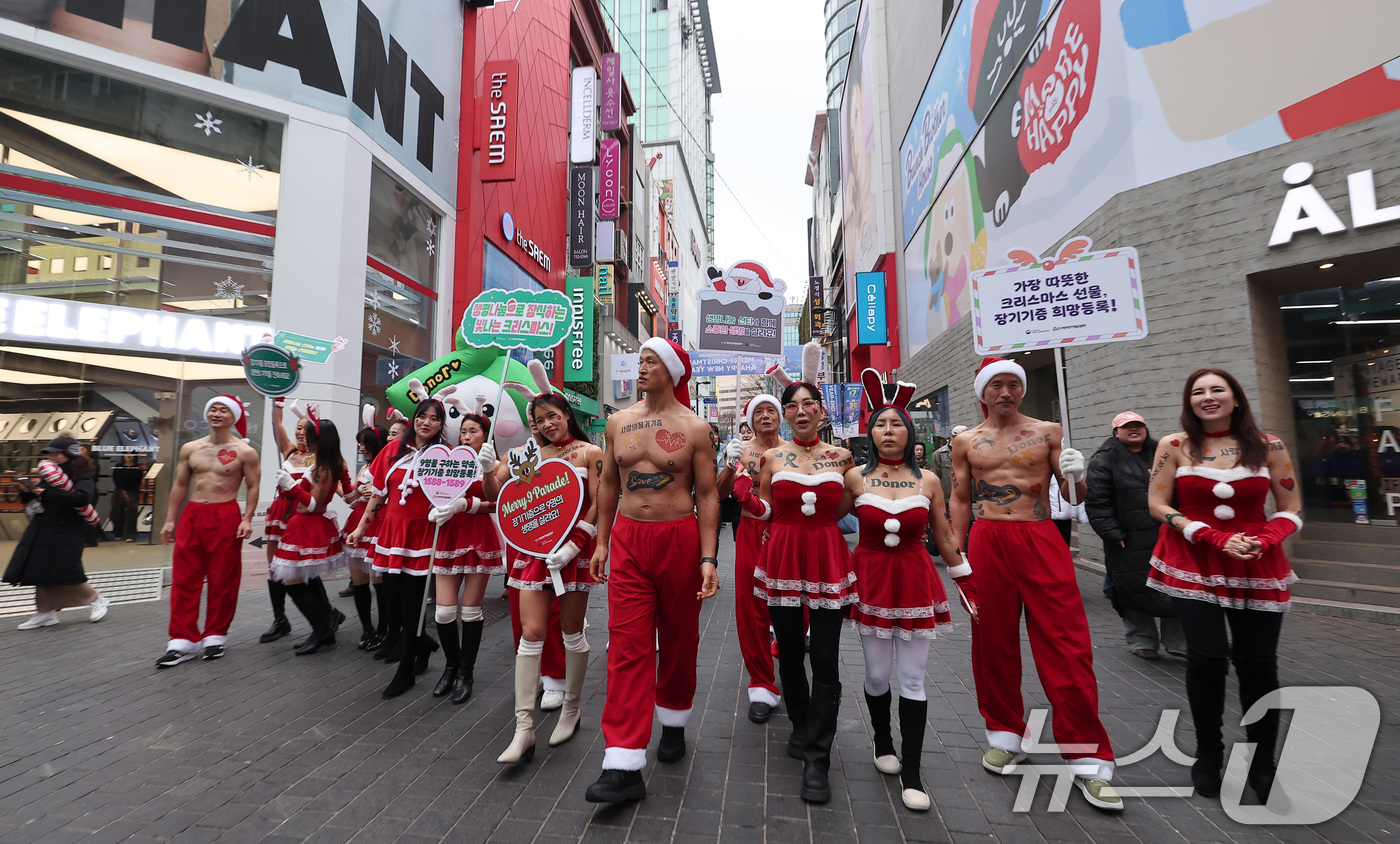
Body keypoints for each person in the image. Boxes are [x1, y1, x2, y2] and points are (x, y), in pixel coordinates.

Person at [949, 357, 1120, 811]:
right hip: (987, 541)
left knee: (1066, 643)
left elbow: (1072, 497)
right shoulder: (966, 440)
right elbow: (961, 497)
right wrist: (957, 555)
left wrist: (1077, 475)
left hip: (1040, 537)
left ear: (1021, 390)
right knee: (993, 641)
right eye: (996, 385)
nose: (1005, 392)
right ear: (982, 392)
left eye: (1013, 385)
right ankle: (1005, 732)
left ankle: (1087, 756)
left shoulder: (1049, 432)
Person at [1146, 369, 1301, 802]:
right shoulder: (1173, 445)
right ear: (1188, 401)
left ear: (1236, 398)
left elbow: (1290, 506)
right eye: (1198, 391)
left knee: (1258, 665)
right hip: (1194, 558)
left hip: (1255, 561)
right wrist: (1209, 535)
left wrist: (1266, 538)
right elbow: (1157, 503)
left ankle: (1262, 762)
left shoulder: (1269, 445)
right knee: (1208, 657)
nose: (1208, 397)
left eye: (1217, 389)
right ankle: (1208, 755)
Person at [584, 338, 720, 805]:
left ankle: (675, 720)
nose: (641, 367)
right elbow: (607, 485)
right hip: (628, 540)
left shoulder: (696, 428)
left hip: (679, 539)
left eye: (650, 360)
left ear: (673, 369)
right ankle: (622, 761)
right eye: (639, 360)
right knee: (626, 644)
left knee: (680, 639)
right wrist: (602, 542)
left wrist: (708, 558)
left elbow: (707, 496)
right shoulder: (618, 421)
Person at [740, 342, 856, 805]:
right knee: (789, 654)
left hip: (827, 558)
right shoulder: (772, 458)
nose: (800, 410)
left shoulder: (843, 458)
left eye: (809, 403)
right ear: (785, 416)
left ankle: (818, 757)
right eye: (793, 405)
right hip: (782, 558)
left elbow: (847, 509)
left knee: (825, 657)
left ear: (822, 411)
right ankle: (803, 725)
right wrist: (747, 499)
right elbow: (766, 510)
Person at [844, 373, 964, 812]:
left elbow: (946, 537)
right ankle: (882, 743)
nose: (889, 431)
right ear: (870, 432)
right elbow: (825, 523)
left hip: (915, 581)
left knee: (912, 678)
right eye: (881, 424)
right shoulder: (854, 478)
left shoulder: (930, 480)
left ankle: (912, 771)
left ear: (909, 431)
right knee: (877, 675)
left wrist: (967, 578)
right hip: (871, 581)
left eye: (897, 424)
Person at [486, 386, 602, 761]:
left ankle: (571, 708)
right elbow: (499, 493)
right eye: (539, 419)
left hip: (573, 553)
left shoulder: (590, 452)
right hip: (535, 552)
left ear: (567, 414)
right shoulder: (528, 455)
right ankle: (523, 729)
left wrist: (577, 543)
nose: (547, 424)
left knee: (571, 632)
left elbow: (600, 502)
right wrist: (489, 467)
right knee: (530, 635)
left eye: (553, 415)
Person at [347, 390, 454, 698]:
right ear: (414, 419)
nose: (427, 422)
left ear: (440, 425)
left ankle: (407, 668)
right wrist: (359, 529)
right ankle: (423, 645)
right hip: (392, 534)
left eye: (435, 419)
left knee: (413, 604)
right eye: (422, 416)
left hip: (423, 535)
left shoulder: (445, 456)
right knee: (392, 603)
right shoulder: (393, 449)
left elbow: (451, 497)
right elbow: (377, 494)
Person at [158, 395, 260, 666]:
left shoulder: (245, 452)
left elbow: (252, 486)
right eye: (212, 409)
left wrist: (247, 518)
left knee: (223, 578)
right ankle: (182, 640)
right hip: (193, 514)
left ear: (234, 416)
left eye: (223, 410)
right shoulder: (190, 448)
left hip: (225, 514)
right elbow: (180, 484)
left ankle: (215, 635)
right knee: (184, 577)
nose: (217, 414)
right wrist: (170, 519)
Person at [1086, 411, 1185, 661]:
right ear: (1115, 432)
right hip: (1127, 539)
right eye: (1126, 427)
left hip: (1167, 534)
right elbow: (1098, 501)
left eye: (1138, 425)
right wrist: (1111, 532)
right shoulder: (1104, 459)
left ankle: (1178, 641)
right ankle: (1142, 640)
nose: (1134, 430)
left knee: (1174, 587)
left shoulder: (1163, 451)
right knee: (1132, 588)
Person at [716, 394, 786, 725]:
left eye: (771, 410)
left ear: (781, 416)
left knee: (791, 604)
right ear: (750, 419)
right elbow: (718, 493)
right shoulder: (741, 451)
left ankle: (784, 649)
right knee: (750, 607)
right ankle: (761, 683)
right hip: (750, 532)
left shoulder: (794, 449)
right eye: (758, 412)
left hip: (788, 535)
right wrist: (729, 467)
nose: (766, 415)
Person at [430, 403, 504, 706]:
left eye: (473, 431)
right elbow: (430, 488)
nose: (466, 435)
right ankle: (450, 666)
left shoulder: (494, 463)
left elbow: (496, 500)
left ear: (485, 435)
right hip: (448, 534)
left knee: (471, 611)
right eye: (463, 431)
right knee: (444, 612)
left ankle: (466, 672)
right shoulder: (446, 460)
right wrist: (436, 507)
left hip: (477, 535)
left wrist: (467, 504)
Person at [5, 437, 110, 627]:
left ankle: (95, 599)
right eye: (50, 454)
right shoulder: (50, 473)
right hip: (45, 525)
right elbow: (40, 495)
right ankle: (45, 612)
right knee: (40, 567)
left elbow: (82, 498)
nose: (52, 457)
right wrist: (26, 491)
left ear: (70, 454)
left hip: (68, 528)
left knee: (66, 567)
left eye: (56, 454)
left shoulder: (83, 475)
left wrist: (46, 494)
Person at [270, 408, 350, 655]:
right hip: (301, 524)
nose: (304, 438)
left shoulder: (324, 468)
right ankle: (323, 626)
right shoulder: (324, 463)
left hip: (308, 525)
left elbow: (314, 503)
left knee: (293, 580)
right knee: (301, 578)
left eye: (309, 435)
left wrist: (290, 485)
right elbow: (346, 494)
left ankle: (322, 629)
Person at [346, 414, 391, 652]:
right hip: (358, 522)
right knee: (359, 582)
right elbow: (351, 499)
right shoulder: (363, 466)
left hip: (378, 524)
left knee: (379, 582)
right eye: (360, 443)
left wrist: (371, 493)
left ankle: (383, 629)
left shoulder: (387, 465)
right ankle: (366, 629)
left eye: (365, 442)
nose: (361, 447)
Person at [110, 453, 144, 542]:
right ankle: (118, 533)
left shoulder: (138, 468)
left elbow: (138, 481)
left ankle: (130, 535)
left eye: (131, 454)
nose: (128, 456)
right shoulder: (118, 467)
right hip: (119, 491)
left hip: (133, 492)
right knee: (116, 514)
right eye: (126, 453)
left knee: (131, 515)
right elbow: (115, 479)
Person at [930, 425, 967, 504]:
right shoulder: (939, 454)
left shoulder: (968, 453)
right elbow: (934, 478)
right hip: (947, 498)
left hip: (966, 497)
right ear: (953, 437)